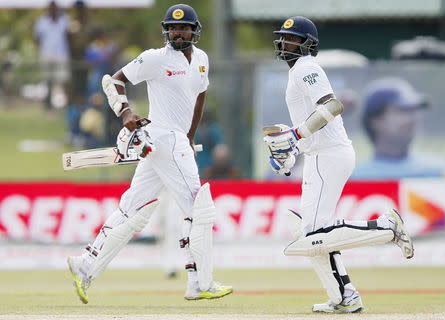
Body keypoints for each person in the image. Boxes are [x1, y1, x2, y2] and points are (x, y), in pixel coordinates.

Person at [67, 4, 232, 304]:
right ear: (165, 30)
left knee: (132, 210)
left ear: (194, 31)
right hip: (162, 137)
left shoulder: (202, 60)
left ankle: (86, 265)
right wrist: (125, 111)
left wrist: (190, 136)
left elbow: (200, 97)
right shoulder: (156, 58)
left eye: (183, 28)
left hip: (173, 142)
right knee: (199, 210)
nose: (177, 32)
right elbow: (113, 80)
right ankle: (199, 282)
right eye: (171, 28)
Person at [263, 16, 414, 313]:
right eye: (283, 37)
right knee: (314, 235)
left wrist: (294, 135)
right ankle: (346, 297)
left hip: (329, 155)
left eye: (292, 38)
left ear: (307, 44)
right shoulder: (297, 72)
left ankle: (385, 226)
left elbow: (332, 106)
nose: (284, 43)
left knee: (312, 235)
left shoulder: (306, 67)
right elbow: (308, 124)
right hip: (320, 155)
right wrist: (292, 151)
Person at [352, 77, 445, 179]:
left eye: (415, 110)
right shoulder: (355, 179)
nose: (413, 118)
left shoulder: (441, 173)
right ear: (375, 120)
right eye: (404, 109)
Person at [34, 0, 71, 110]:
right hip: (47, 54)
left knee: (63, 80)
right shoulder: (41, 21)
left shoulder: (65, 19)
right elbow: (37, 38)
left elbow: (69, 36)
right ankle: (48, 106)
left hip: (61, 54)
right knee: (47, 81)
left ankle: (65, 106)